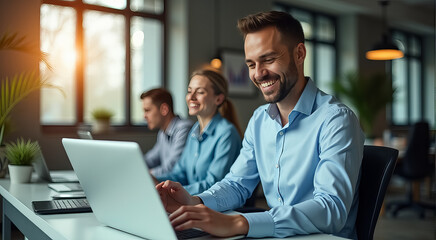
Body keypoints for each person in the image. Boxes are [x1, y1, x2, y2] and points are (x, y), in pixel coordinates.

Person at [156, 11, 364, 240]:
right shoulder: (260, 120)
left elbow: (331, 209)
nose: (258, 73)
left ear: (300, 54)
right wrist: (196, 202)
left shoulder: (336, 119)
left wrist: (239, 222)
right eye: (251, 64)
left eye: (268, 59)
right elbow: (237, 184)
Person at [154, 69, 243, 195]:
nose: (191, 97)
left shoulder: (227, 133)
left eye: (200, 92)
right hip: (193, 203)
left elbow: (213, 184)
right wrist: (155, 180)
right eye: (189, 91)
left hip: (217, 208)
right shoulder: (194, 131)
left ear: (218, 99)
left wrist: (177, 192)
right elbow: (180, 173)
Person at [141, 88, 193, 177]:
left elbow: (172, 167)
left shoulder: (184, 128)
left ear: (164, 109)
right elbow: (151, 159)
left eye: (148, 110)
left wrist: (144, 174)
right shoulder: (162, 133)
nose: (144, 116)